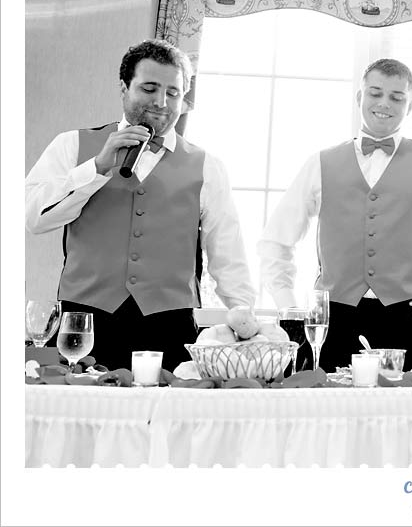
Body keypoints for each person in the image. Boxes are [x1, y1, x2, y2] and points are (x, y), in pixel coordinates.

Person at [25, 39, 256, 371]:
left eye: (173, 93)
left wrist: (243, 314)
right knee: (82, 416)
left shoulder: (208, 166)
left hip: (169, 323)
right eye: (149, 88)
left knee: (163, 421)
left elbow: (227, 251)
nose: (161, 102)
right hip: (85, 321)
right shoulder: (72, 145)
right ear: (124, 87)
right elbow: (33, 217)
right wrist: (96, 168)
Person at [258, 58, 412, 373]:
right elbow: (275, 239)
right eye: (375, 93)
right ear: (359, 98)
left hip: (410, 318)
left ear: (409, 106)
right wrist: (288, 306)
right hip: (334, 319)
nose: (384, 104)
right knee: (328, 415)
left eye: (397, 97)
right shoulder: (319, 163)